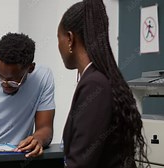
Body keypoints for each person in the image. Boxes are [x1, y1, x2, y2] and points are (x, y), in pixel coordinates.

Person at [57, 0, 149, 167]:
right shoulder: (99, 78)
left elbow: (81, 162)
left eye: (59, 38)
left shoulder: (95, 84)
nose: (58, 46)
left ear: (70, 38)